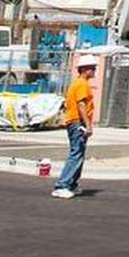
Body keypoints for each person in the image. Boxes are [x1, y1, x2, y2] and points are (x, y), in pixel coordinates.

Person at [52, 54, 97, 199]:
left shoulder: (77, 83)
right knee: (76, 154)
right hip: (78, 122)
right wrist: (88, 125)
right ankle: (62, 185)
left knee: (79, 154)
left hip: (75, 122)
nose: (94, 71)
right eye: (92, 68)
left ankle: (72, 184)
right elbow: (81, 105)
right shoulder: (82, 84)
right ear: (85, 69)